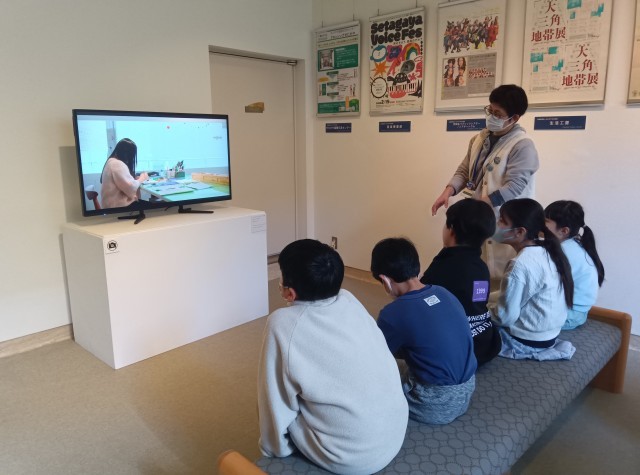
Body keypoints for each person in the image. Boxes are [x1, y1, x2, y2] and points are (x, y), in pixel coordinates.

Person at [258, 239, 408, 475]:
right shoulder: (348, 298)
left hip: (350, 456)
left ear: (290, 292)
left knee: (288, 395)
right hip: (394, 431)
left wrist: (274, 449)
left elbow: (274, 398)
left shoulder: (281, 323)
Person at [431, 84, 539, 277]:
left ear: (514, 118)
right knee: (477, 271)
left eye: (498, 114)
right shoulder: (478, 139)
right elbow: (465, 171)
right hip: (479, 218)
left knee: (501, 273)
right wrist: (448, 191)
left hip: (505, 219)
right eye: (490, 110)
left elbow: (515, 186)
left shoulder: (522, 145)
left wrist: (480, 206)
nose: (491, 116)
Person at [371, 237, 477, 425]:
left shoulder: (393, 313)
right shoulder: (444, 293)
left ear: (385, 280)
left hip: (433, 403)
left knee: (373, 382)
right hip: (468, 389)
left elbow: (376, 358)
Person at [489, 199, 575, 360]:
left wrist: (480, 310)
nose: (497, 224)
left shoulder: (520, 264)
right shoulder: (547, 249)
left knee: (466, 325)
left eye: (502, 221)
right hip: (548, 337)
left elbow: (504, 317)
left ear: (519, 232)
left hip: (524, 341)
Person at [421, 199, 501, 366]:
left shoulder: (443, 267)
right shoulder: (481, 266)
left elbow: (421, 300)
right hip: (483, 342)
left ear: (451, 230)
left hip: (458, 350)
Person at [545, 200, 605, 329]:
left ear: (564, 231)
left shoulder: (564, 251)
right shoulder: (573, 244)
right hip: (577, 313)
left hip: (570, 315)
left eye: (545, 221)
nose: (540, 225)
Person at [100, 138, 148, 208]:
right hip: (118, 207)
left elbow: (125, 183)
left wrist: (135, 180)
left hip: (111, 205)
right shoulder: (117, 164)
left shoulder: (111, 161)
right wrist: (142, 178)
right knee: (156, 207)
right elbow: (131, 188)